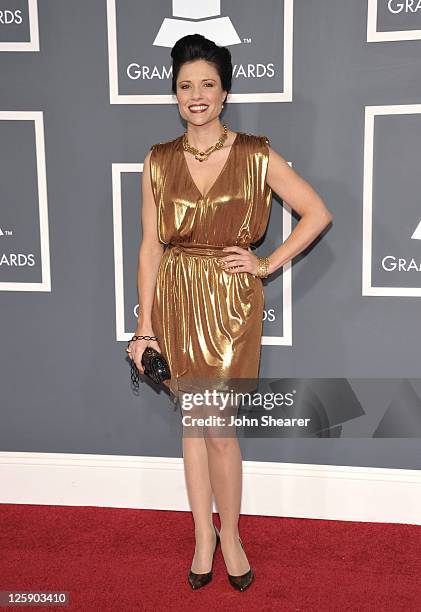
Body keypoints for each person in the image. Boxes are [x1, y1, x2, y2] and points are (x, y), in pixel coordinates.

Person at [126, 33, 333, 592]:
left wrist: (266, 264)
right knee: (194, 429)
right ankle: (202, 537)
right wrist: (144, 325)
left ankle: (232, 536)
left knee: (219, 429)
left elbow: (316, 213)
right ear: (174, 94)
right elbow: (150, 245)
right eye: (186, 85)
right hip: (175, 299)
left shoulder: (255, 153)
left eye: (207, 85)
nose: (196, 95)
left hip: (230, 301)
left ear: (224, 92)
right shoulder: (157, 161)